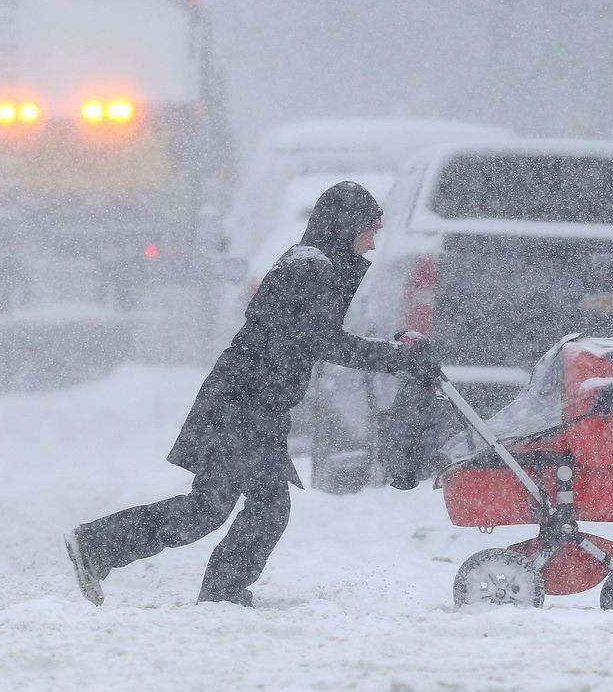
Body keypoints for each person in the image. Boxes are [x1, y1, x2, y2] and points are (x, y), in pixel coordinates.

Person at [64, 181, 440, 607]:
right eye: (370, 231)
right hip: (243, 404)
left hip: (248, 401)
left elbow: (311, 338)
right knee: (251, 508)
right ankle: (125, 556)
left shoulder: (313, 264)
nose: (372, 245)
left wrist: (392, 356)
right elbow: (320, 341)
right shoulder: (310, 268)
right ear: (346, 226)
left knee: (218, 508)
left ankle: (105, 549)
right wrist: (395, 358)